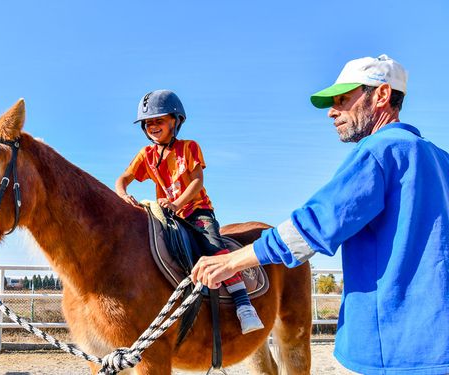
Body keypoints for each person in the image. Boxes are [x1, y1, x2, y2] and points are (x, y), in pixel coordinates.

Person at [191, 54, 449, 374]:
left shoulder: (379, 151)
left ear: (382, 95)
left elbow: (314, 226)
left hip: (391, 349)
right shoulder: (440, 159)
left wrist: (228, 261)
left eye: (343, 99)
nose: (332, 111)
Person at [115, 89, 264, 334]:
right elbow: (123, 178)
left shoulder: (189, 147)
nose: (152, 126)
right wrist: (122, 194)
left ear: (175, 121)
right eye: (148, 123)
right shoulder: (146, 155)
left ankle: (244, 305)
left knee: (215, 250)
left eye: (159, 121)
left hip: (196, 212)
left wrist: (176, 204)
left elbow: (197, 182)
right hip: (167, 216)